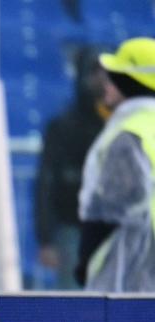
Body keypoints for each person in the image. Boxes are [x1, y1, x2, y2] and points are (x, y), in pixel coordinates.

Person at [76, 37, 155, 292]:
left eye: (115, 77)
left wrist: (87, 255)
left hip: (129, 264)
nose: (106, 84)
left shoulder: (129, 133)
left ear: (131, 82)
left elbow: (111, 208)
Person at [34, 46, 107, 289]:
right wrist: (45, 239)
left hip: (115, 231)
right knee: (75, 304)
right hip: (73, 230)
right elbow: (45, 183)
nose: (101, 80)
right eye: (95, 72)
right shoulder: (62, 127)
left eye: (107, 74)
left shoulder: (120, 127)